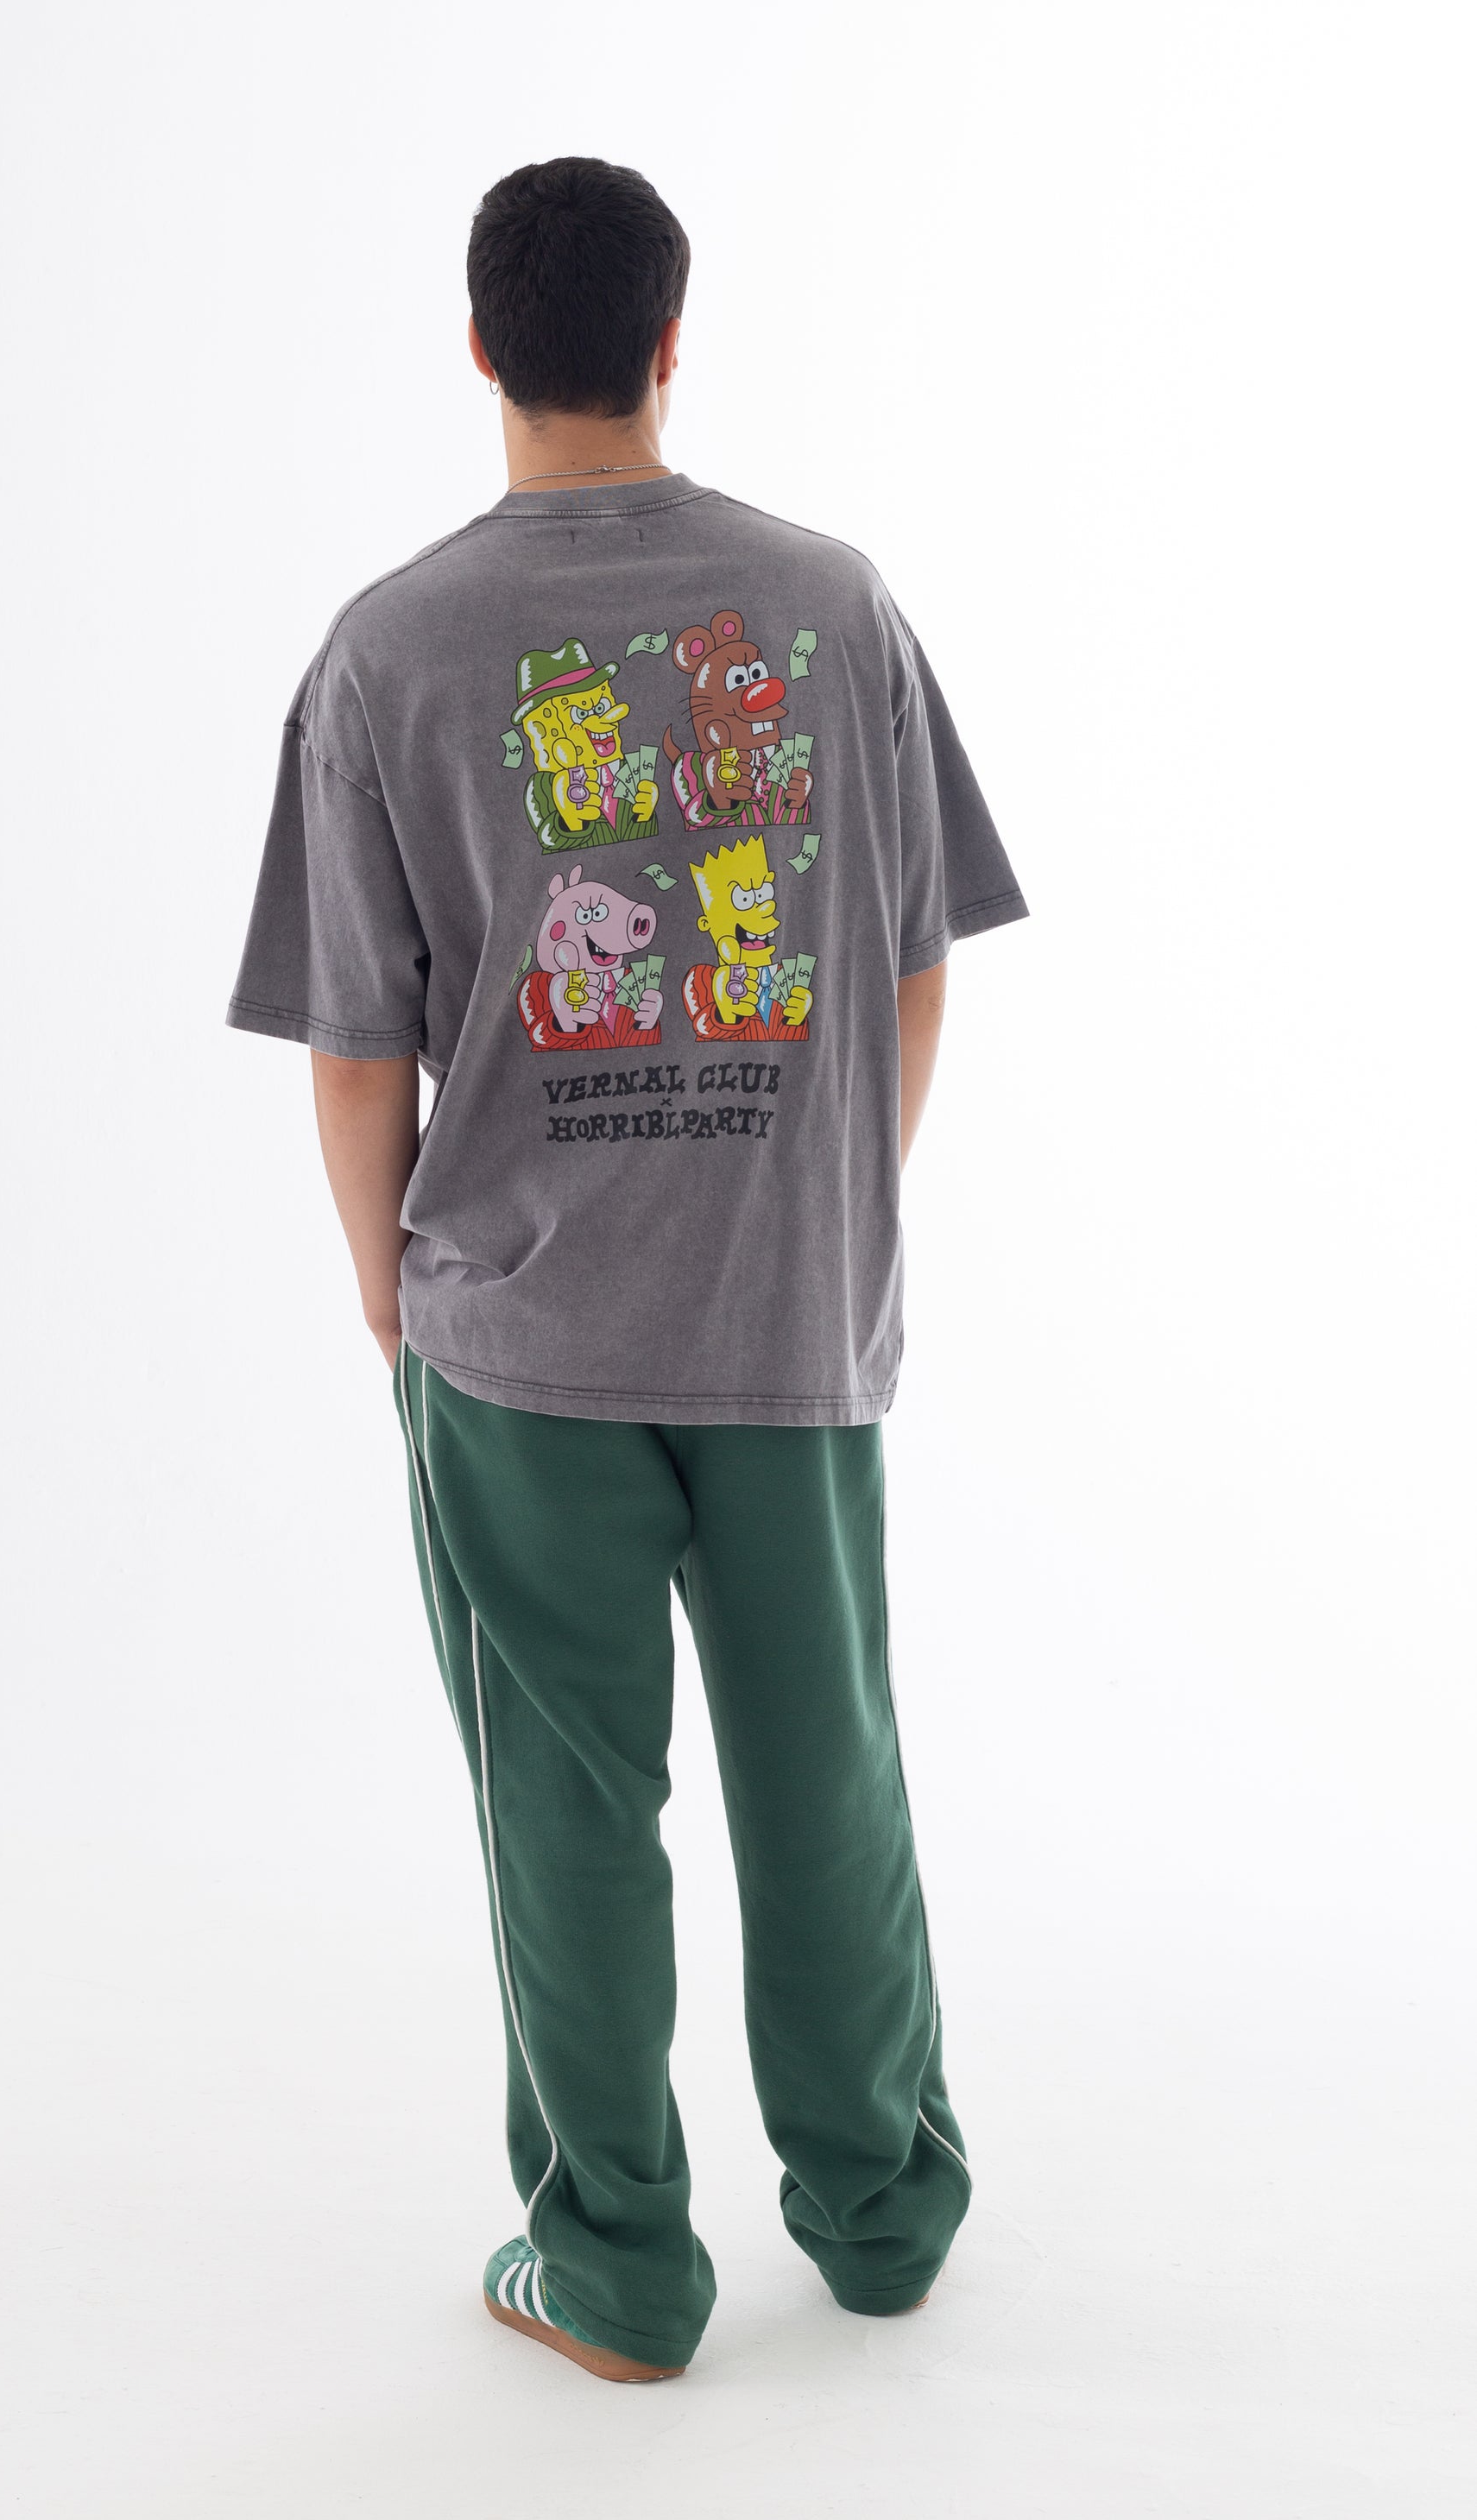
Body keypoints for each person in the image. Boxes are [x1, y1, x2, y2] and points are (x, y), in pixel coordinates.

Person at [228, 156, 1027, 2385]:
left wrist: (385, 1287)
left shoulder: (388, 648)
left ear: (482, 350)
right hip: (790, 1311)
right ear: (673, 342)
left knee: (567, 1807)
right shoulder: (834, 608)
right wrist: (819, 1214)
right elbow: (914, 970)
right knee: (827, 1770)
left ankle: (612, 2269)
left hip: (521, 1330)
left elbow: (359, 1045)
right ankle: (881, 2218)